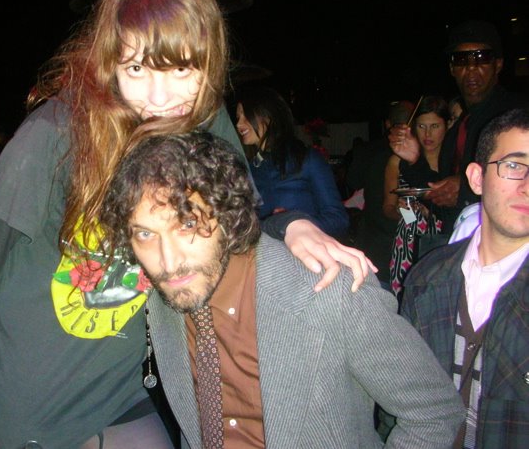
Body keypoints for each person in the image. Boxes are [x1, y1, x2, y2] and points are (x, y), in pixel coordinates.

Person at [0, 0, 373, 449]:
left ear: (209, 60)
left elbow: (239, 220)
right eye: (137, 68)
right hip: (25, 401)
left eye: (181, 68)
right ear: (109, 60)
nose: (160, 98)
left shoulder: (204, 120)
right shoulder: (56, 131)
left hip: (120, 396)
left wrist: (292, 225)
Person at [100, 131, 465, 448]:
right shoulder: (160, 297)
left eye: (188, 225)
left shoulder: (330, 289)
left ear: (226, 215)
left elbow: (433, 411)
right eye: (145, 233)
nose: (167, 260)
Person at [401, 108, 529, 448]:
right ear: (476, 178)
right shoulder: (428, 277)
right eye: (514, 166)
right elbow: (401, 394)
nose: (528, 187)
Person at [391, 20, 527, 232]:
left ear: (498, 64)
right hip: (461, 241)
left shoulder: (518, 115)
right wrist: (415, 160)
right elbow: (443, 203)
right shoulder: (458, 130)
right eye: (461, 60)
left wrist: (464, 189)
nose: (471, 67)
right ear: (452, 69)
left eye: (481, 57)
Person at [234, 86, 349, 238]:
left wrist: (294, 225)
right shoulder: (248, 168)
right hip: (267, 252)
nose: (239, 124)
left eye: (246, 116)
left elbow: (339, 220)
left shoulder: (307, 159)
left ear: (268, 116)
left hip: (305, 251)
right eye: (238, 117)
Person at [383, 96, 448, 296]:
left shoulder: (453, 161)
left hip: (447, 238)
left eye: (435, 126)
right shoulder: (397, 161)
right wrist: (404, 212)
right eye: (421, 126)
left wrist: (432, 213)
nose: (428, 134)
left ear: (447, 125)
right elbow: (388, 208)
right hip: (409, 241)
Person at [347, 100, 415, 286]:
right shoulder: (405, 157)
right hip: (403, 242)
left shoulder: (368, 150)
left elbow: (352, 182)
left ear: (387, 124)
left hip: (375, 240)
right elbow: (397, 208)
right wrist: (410, 217)